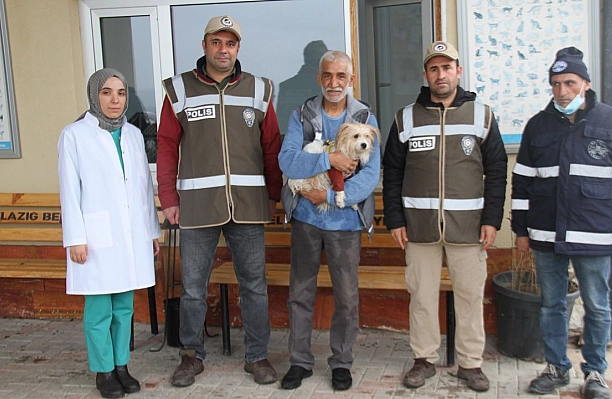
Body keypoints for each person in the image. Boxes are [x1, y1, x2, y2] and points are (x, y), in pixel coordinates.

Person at [511, 47, 612, 399]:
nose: (562, 91)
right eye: (555, 84)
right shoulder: (537, 126)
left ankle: (595, 374)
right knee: (551, 305)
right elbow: (522, 181)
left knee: (597, 307)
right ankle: (556, 368)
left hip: (596, 236)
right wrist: (520, 230)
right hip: (546, 235)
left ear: (585, 83)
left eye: (569, 82)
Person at [156, 15, 282, 387]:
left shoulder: (259, 89)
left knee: (254, 286)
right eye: (216, 42)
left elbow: (271, 144)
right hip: (196, 207)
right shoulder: (179, 90)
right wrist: (168, 198)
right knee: (193, 287)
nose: (222, 49)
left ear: (238, 48)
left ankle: (257, 356)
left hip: (247, 205)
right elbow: (165, 145)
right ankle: (191, 355)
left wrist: (274, 194)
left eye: (230, 43)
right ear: (204, 45)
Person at [382, 41, 508, 392]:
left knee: (469, 297)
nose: (441, 74)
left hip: (468, 228)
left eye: (447, 67)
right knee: (421, 296)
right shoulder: (405, 117)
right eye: (434, 69)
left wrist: (492, 218)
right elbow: (391, 171)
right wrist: (395, 219)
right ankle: (424, 360)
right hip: (419, 228)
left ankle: (470, 364)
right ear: (426, 75)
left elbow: (497, 170)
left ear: (458, 71)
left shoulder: (481, 115)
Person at [278, 50, 380, 391]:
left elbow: (370, 175)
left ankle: (341, 362)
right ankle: (300, 361)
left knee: (347, 297)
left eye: (341, 76)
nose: (334, 83)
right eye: (327, 76)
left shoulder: (365, 116)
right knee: (300, 292)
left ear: (350, 80)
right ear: (319, 78)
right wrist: (328, 159)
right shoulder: (302, 115)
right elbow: (288, 160)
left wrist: (336, 197)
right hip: (306, 219)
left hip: (346, 224)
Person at [58, 68, 161, 399]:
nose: (115, 100)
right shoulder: (74, 135)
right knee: (100, 309)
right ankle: (103, 371)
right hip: (95, 236)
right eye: (106, 92)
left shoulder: (131, 134)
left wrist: (151, 231)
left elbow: (144, 188)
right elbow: (69, 190)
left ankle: (121, 366)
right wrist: (75, 238)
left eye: (120, 93)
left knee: (125, 308)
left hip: (131, 235)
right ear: (94, 96)